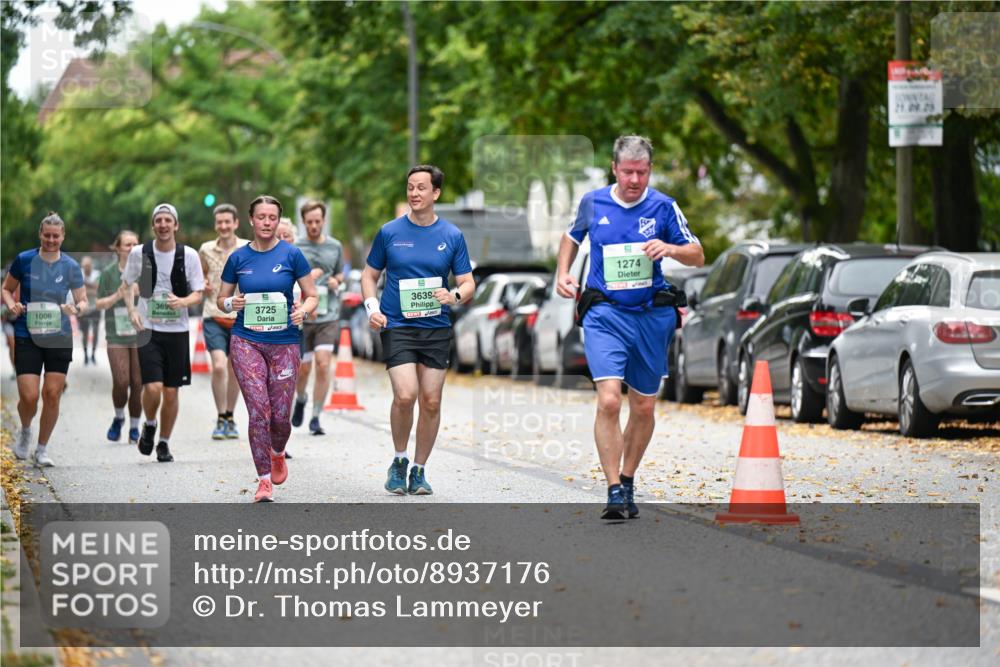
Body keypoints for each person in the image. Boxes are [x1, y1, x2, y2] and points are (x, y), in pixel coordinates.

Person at [557, 136, 704, 520]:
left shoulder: (664, 207)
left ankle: (628, 476)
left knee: (643, 405)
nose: (634, 180)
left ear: (649, 170)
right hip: (605, 314)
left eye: (641, 172)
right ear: (614, 168)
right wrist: (563, 274)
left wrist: (669, 249)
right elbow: (571, 237)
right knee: (608, 399)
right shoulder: (593, 202)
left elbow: (697, 254)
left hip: (650, 317)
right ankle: (613, 489)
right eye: (627, 172)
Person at [362, 165, 475, 495]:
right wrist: (373, 307)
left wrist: (453, 295)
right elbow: (369, 275)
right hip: (397, 325)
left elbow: (468, 283)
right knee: (406, 394)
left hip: (436, 327)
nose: (414, 193)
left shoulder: (452, 236)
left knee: (431, 401)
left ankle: (419, 469)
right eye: (410, 187)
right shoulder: (390, 232)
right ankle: (399, 460)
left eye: (421, 188)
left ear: (436, 193)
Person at [218, 195, 317, 502]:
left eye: (272, 217)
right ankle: (263, 480)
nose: (266, 222)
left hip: (284, 343)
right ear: (251, 220)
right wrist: (230, 303)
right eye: (261, 217)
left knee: (280, 416)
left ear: (278, 221)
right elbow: (221, 299)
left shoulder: (292, 255)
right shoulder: (238, 258)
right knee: (259, 411)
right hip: (246, 340)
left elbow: (311, 295)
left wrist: (304, 310)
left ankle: (277, 452)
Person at [1, 212, 87, 466]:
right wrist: (12, 304)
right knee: (28, 396)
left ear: (63, 236)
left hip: (59, 336)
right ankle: (26, 429)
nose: (51, 240)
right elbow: (6, 289)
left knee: (52, 394)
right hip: (27, 333)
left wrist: (77, 309)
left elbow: (82, 300)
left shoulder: (71, 266)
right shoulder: (24, 260)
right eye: (46, 235)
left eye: (55, 236)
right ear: (40, 234)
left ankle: (42, 448)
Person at [121, 203, 205, 463]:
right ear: (153, 225)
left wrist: (183, 302)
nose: (163, 225)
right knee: (153, 387)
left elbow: (199, 292)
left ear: (176, 225)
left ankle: (164, 443)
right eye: (159, 220)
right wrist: (132, 311)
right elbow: (126, 285)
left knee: (171, 391)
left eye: (168, 220)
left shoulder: (188, 255)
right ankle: (149, 424)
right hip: (148, 329)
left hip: (177, 331)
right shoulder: (139, 253)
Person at [291, 200, 345, 436]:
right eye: (309, 222)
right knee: (303, 368)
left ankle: (316, 416)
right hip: (302, 316)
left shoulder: (335, 246)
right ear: (303, 222)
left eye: (318, 221)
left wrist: (337, 281)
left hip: (328, 314)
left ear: (323, 221)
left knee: (323, 364)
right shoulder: (295, 247)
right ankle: (301, 398)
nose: (314, 225)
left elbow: (341, 272)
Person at [198, 203, 248, 440]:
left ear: (236, 223)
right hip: (213, 314)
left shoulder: (247, 248)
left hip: (240, 316)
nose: (224, 226)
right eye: (220, 222)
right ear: (215, 224)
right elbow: (200, 277)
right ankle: (220, 417)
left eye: (228, 221)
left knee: (235, 370)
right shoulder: (206, 249)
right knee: (219, 365)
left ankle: (230, 415)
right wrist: (203, 284)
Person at [96, 231, 143, 444]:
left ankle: (134, 427)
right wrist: (119, 294)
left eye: (135, 243)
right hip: (116, 333)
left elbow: (154, 300)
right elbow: (98, 303)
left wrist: (139, 291)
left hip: (141, 333)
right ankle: (119, 417)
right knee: (122, 381)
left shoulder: (146, 271)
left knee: (138, 382)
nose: (132, 248)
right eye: (127, 244)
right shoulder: (108, 273)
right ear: (117, 248)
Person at [78, 256, 102, 365]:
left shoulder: (97, 274)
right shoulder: (79, 274)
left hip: (96, 307)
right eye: (84, 266)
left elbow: (98, 290)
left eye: (88, 266)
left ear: (91, 265)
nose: (86, 268)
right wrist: (91, 288)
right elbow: (79, 292)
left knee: (96, 332)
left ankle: (93, 354)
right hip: (84, 307)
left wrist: (86, 286)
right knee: (85, 333)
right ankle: (85, 356)